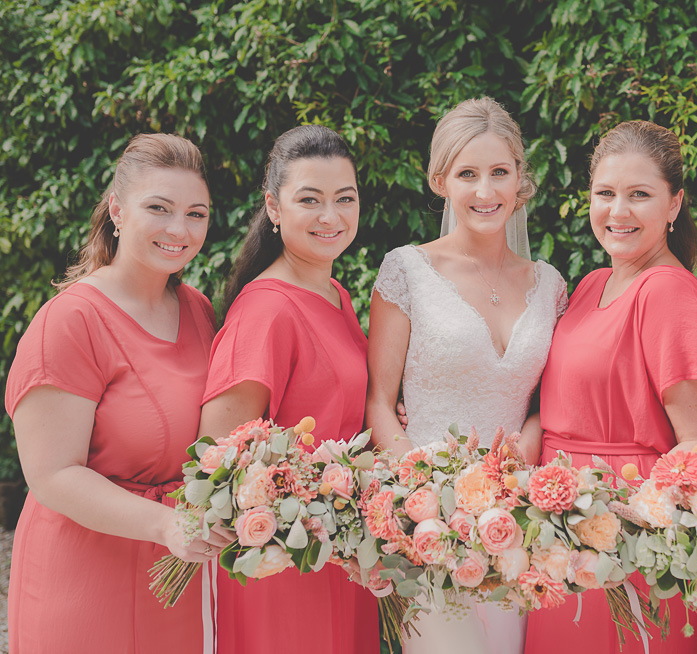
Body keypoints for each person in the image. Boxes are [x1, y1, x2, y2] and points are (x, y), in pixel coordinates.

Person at [4, 133, 232, 653]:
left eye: (197, 214)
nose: (180, 229)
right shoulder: (71, 320)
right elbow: (52, 474)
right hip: (85, 577)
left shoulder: (197, 310)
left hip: (175, 575)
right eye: (159, 208)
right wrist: (166, 524)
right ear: (117, 210)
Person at [366, 97, 567, 654]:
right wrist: (420, 493)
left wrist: (529, 439)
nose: (486, 192)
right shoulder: (406, 270)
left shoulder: (549, 284)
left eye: (500, 173)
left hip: (520, 522)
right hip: (430, 526)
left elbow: (552, 398)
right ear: (439, 181)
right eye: (468, 174)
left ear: (520, 180)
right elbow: (380, 402)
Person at [523, 121, 697, 654]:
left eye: (640, 195)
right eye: (606, 193)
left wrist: (626, 527)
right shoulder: (594, 283)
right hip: (558, 527)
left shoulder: (667, 294)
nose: (619, 211)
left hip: (624, 535)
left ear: (674, 204)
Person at [198, 125, 379, 654]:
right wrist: (305, 517)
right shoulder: (268, 310)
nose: (332, 216)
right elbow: (218, 458)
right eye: (310, 200)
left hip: (338, 549)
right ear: (273, 208)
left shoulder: (336, 294)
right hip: (284, 558)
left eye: (345, 199)